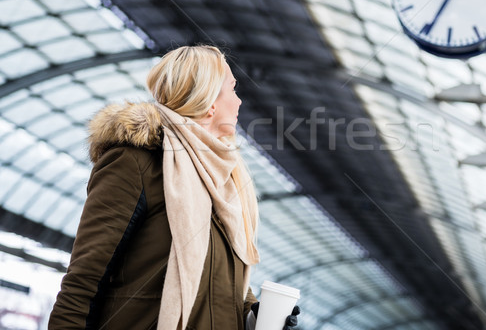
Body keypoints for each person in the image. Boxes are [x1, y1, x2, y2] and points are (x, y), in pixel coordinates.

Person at [49, 45, 299, 329]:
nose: (239, 101)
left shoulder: (224, 185)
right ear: (210, 102)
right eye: (233, 89)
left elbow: (221, 292)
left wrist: (253, 315)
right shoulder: (136, 163)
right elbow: (83, 281)